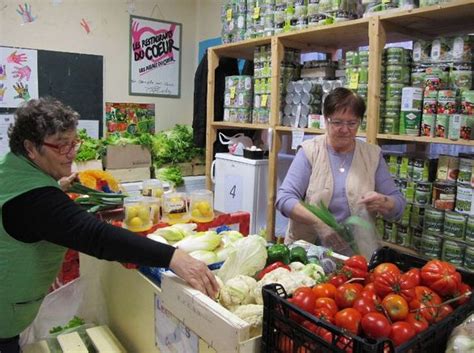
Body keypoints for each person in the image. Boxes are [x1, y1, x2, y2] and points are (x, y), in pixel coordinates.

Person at [0, 97, 219, 353]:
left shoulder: (11, 169)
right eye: (61, 146)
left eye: (74, 143)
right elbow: (97, 237)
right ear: (30, 148)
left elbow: (27, 211)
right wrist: (173, 257)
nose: (72, 153)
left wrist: (56, 187)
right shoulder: (36, 199)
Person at [276, 87, 406, 255]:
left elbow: (398, 206)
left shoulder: (372, 155)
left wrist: (385, 202)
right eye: (337, 122)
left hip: (357, 256)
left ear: (359, 122)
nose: (345, 129)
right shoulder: (310, 151)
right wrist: (320, 225)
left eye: (352, 123)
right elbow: (284, 199)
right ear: (326, 119)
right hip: (308, 252)